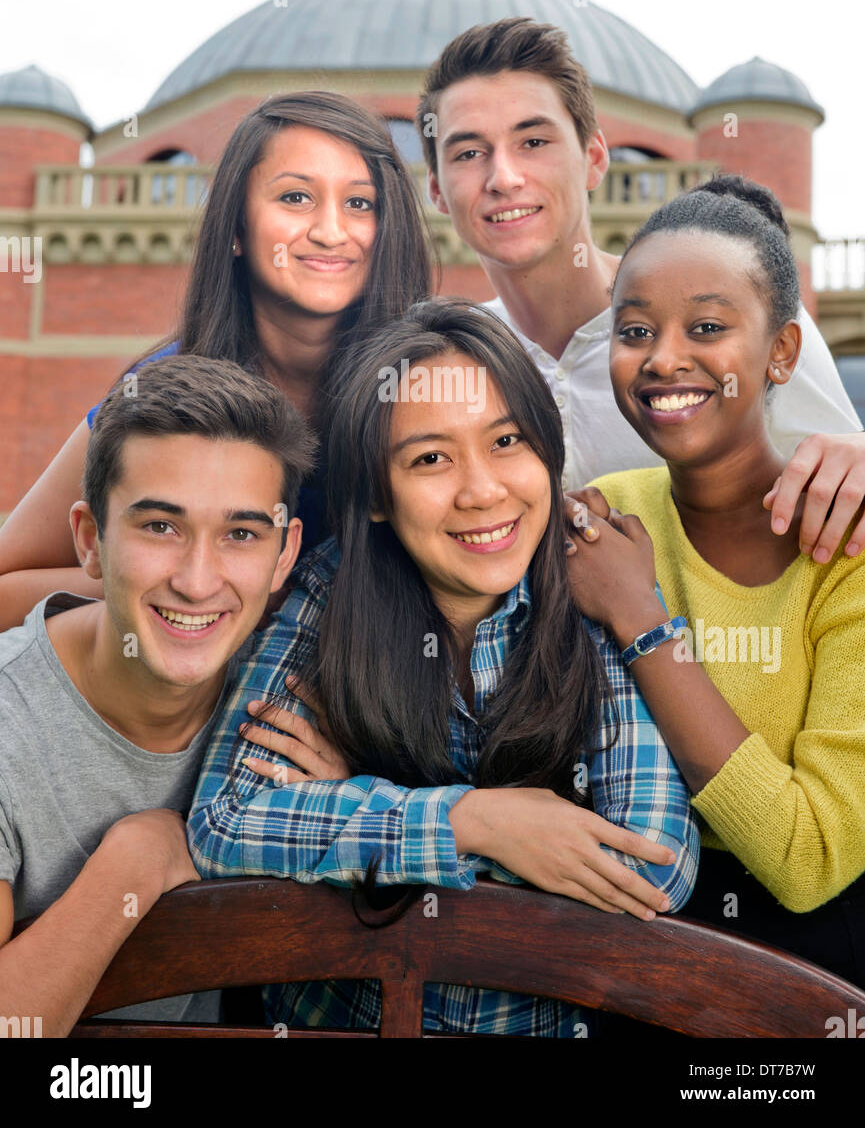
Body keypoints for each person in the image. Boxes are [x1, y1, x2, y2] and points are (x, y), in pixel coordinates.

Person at [188, 299, 699, 1037]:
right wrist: (474, 821)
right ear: (371, 496)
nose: (482, 490)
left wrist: (362, 813)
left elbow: (652, 867)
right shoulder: (331, 592)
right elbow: (225, 822)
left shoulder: (590, 584)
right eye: (430, 458)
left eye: (506, 441)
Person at [417, 16, 865, 565]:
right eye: (468, 153)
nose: (503, 177)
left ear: (594, 159)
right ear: (436, 189)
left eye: (533, 141)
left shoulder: (741, 311)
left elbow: (842, 475)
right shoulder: (453, 360)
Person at [566, 188, 865, 987]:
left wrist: (641, 621)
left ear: (780, 352)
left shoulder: (850, 549)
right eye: (635, 331)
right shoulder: (597, 519)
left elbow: (811, 856)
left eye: (706, 327)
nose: (663, 358)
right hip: (610, 961)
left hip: (808, 981)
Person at [0, 92, 432, 630]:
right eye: (295, 197)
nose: (330, 231)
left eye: (360, 204)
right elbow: (7, 585)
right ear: (235, 228)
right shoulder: (163, 388)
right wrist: (182, 583)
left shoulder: (431, 385)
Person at [0, 354, 314, 1035]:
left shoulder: (292, 694)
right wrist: (136, 861)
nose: (198, 582)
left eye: (239, 534)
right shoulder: (8, 729)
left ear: (284, 555)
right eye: (160, 527)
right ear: (90, 540)